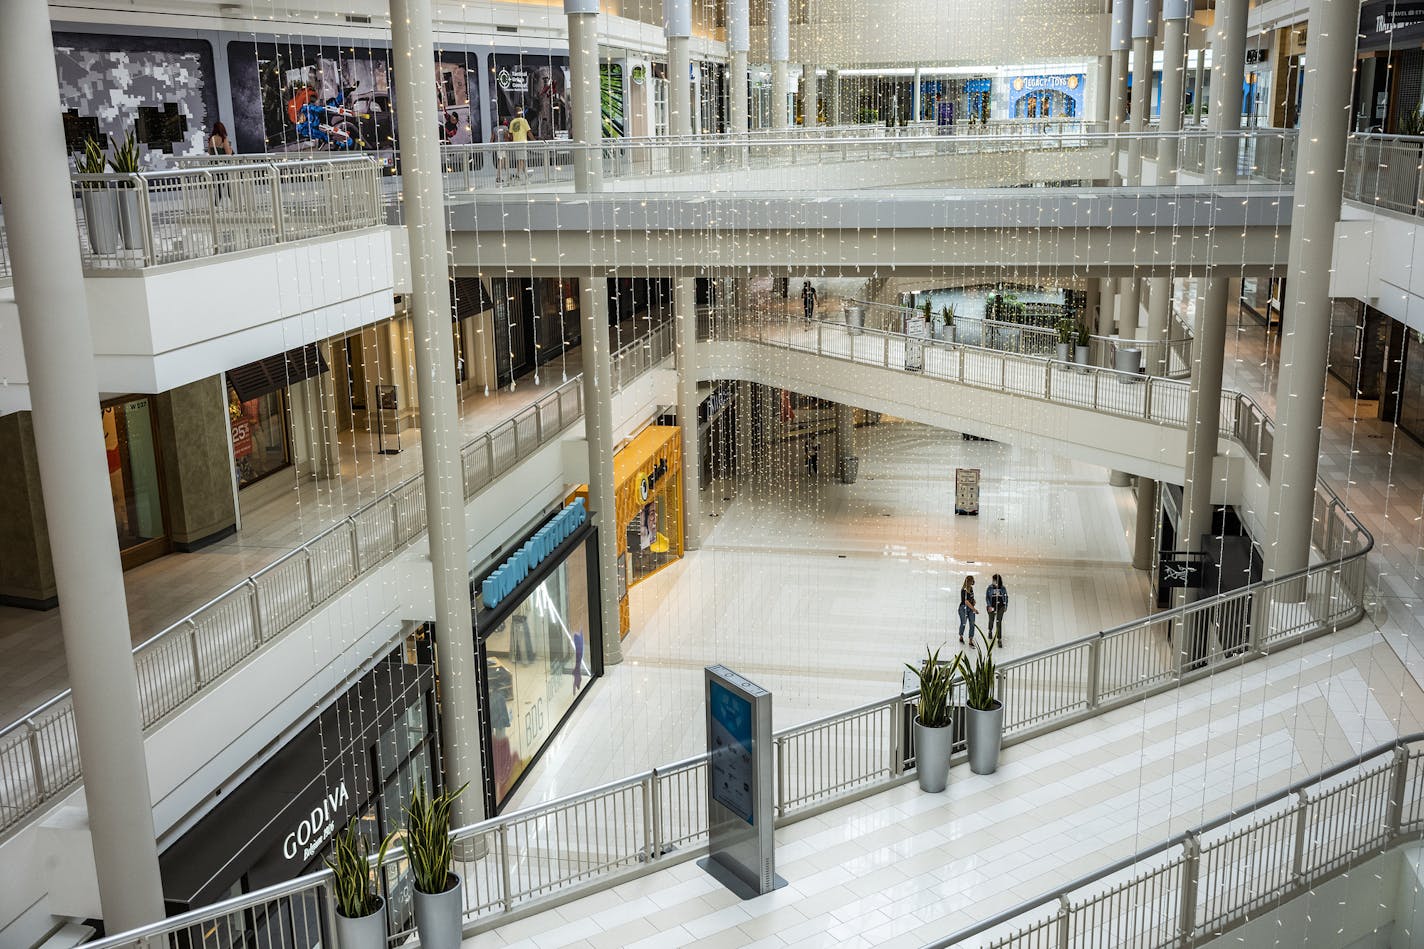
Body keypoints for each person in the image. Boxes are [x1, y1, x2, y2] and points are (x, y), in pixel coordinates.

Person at [508, 109, 533, 179]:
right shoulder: (524, 121)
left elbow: (510, 134)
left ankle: (526, 174)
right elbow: (528, 132)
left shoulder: (512, 122)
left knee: (521, 159)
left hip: (516, 142)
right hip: (522, 142)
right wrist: (534, 140)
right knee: (521, 159)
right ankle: (517, 174)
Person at [985, 574, 1008, 647]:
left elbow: (1006, 597)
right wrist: (989, 606)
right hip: (992, 607)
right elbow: (987, 598)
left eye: (994, 580)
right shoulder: (990, 588)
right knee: (991, 620)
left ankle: (999, 639)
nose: (993, 581)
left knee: (999, 622)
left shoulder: (1003, 588)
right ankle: (990, 631)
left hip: (1000, 607)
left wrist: (1005, 606)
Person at [958, 575, 978, 646]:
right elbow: (966, 601)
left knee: (972, 623)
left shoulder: (971, 589)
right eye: (972, 580)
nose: (973, 582)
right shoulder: (964, 590)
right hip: (963, 608)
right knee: (963, 622)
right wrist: (974, 609)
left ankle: (970, 640)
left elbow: (971, 598)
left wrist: (974, 601)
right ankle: (961, 636)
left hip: (970, 608)